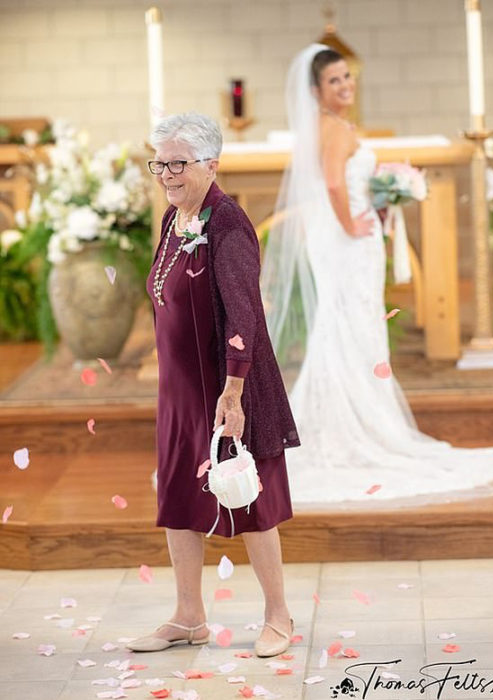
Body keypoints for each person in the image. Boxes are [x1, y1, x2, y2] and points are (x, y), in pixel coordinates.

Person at [260, 45, 493, 506]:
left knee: (342, 326)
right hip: (346, 240)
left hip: (340, 237)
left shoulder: (325, 127)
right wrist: (351, 224)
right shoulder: (336, 129)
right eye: (335, 81)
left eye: (348, 77)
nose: (346, 85)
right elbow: (337, 183)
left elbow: (337, 183)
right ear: (316, 91)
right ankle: (352, 426)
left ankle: (338, 421)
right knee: (353, 324)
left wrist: (378, 200)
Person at [127, 112, 298, 657]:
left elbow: (245, 314)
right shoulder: (173, 220)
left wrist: (234, 392)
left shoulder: (227, 223)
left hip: (229, 388)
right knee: (178, 496)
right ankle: (188, 616)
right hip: (180, 390)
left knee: (251, 497)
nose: (167, 174)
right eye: (160, 162)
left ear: (210, 164)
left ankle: (279, 616)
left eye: (178, 163)